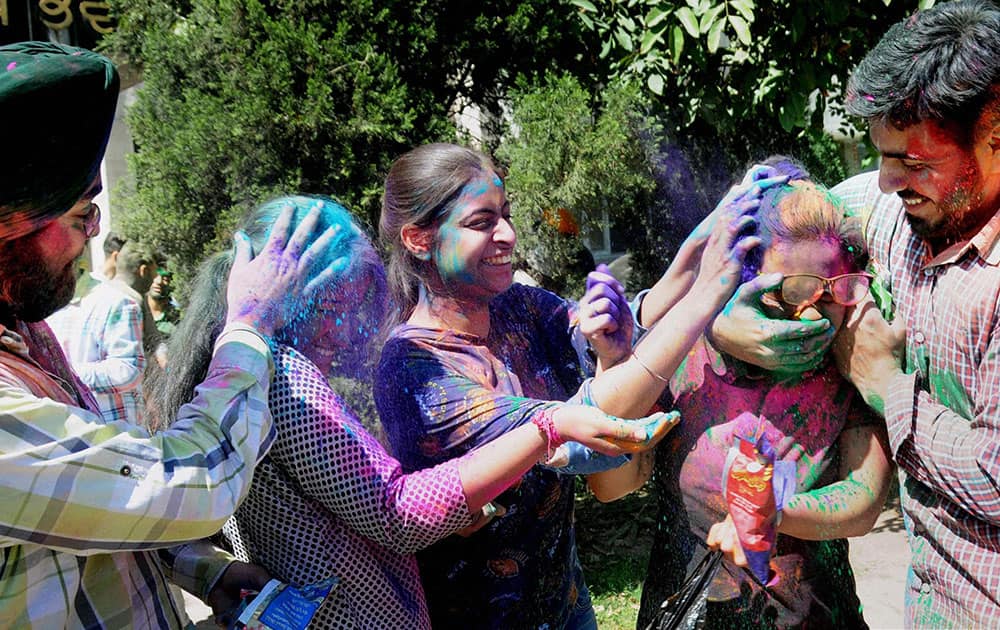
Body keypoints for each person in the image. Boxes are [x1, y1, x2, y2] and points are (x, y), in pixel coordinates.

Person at [145, 194, 669, 628]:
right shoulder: (284, 379)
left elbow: (347, 499)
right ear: (302, 298)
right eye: (337, 307)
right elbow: (396, 515)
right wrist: (547, 426)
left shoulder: (258, 368)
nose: (350, 329)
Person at [0, 42, 340, 628]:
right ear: (13, 224)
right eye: (83, 215)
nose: (89, 242)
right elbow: (193, 480)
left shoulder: (24, 335)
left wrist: (199, 569)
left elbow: (89, 514)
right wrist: (249, 326)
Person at [374, 142, 767, 628]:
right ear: (417, 238)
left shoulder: (520, 307)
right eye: (481, 222)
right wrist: (707, 292)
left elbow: (627, 340)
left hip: (567, 605)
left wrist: (702, 239)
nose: (508, 234)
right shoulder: (413, 368)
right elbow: (577, 420)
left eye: (506, 215)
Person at [710, 2, 1000, 626]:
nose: (887, 181)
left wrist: (885, 386)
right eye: (883, 155)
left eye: (913, 162)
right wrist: (715, 316)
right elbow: (761, 234)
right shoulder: (893, 209)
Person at [588, 160, 893, 628]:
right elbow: (613, 486)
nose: (812, 316)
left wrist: (775, 510)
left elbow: (864, 498)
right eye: (792, 292)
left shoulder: (843, 359)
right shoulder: (685, 355)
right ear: (742, 277)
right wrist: (614, 363)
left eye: (832, 291)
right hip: (686, 610)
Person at [47, 238, 158, 424]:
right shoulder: (42, 309)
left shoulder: (116, 302)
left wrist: (63, 375)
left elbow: (128, 370)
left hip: (114, 437)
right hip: (69, 434)